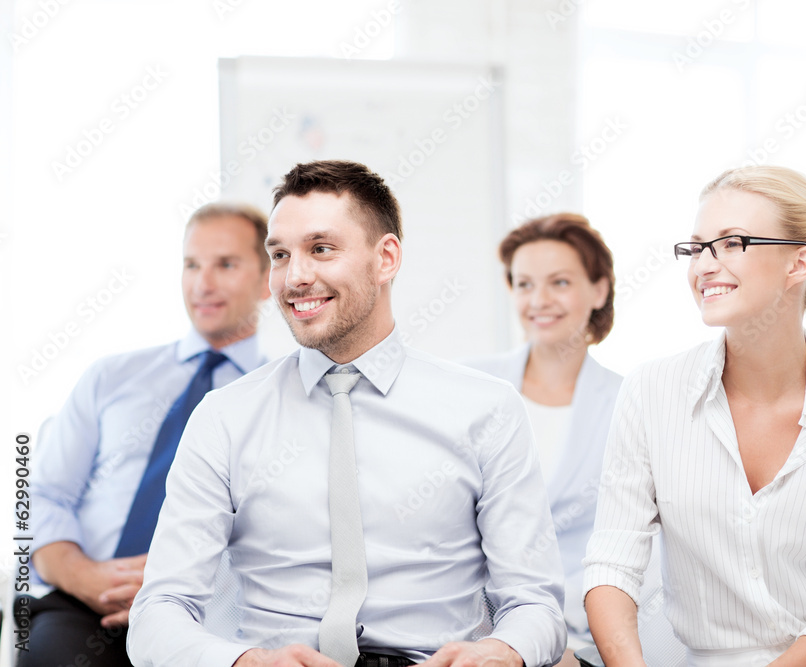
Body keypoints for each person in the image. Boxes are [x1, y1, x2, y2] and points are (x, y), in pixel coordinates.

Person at [126, 160, 566, 667]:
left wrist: (500, 652)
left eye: (321, 249)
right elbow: (159, 611)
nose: (295, 277)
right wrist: (247, 663)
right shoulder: (224, 417)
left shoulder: (486, 408)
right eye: (280, 255)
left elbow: (535, 604)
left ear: (386, 259)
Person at [583, 165, 806, 666]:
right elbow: (612, 561)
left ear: (799, 263)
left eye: (731, 242)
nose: (703, 265)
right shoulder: (651, 394)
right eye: (697, 247)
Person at [23, 202, 272, 667]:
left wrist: (177, 586)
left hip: (209, 616)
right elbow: (43, 496)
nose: (204, 283)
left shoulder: (283, 397)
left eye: (226, 264)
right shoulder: (111, 377)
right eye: (192, 264)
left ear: (267, 280)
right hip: (83, 607)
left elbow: (283, 534)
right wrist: (84, 577)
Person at [464, 213, 622, 662]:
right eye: (524, 284)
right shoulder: (470, 386)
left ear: (599, 289)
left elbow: (635, 548)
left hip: (583, 633)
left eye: (560, 282)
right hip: (472, 626)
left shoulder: (629, 402)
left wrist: (551, 635)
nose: (539, 300)